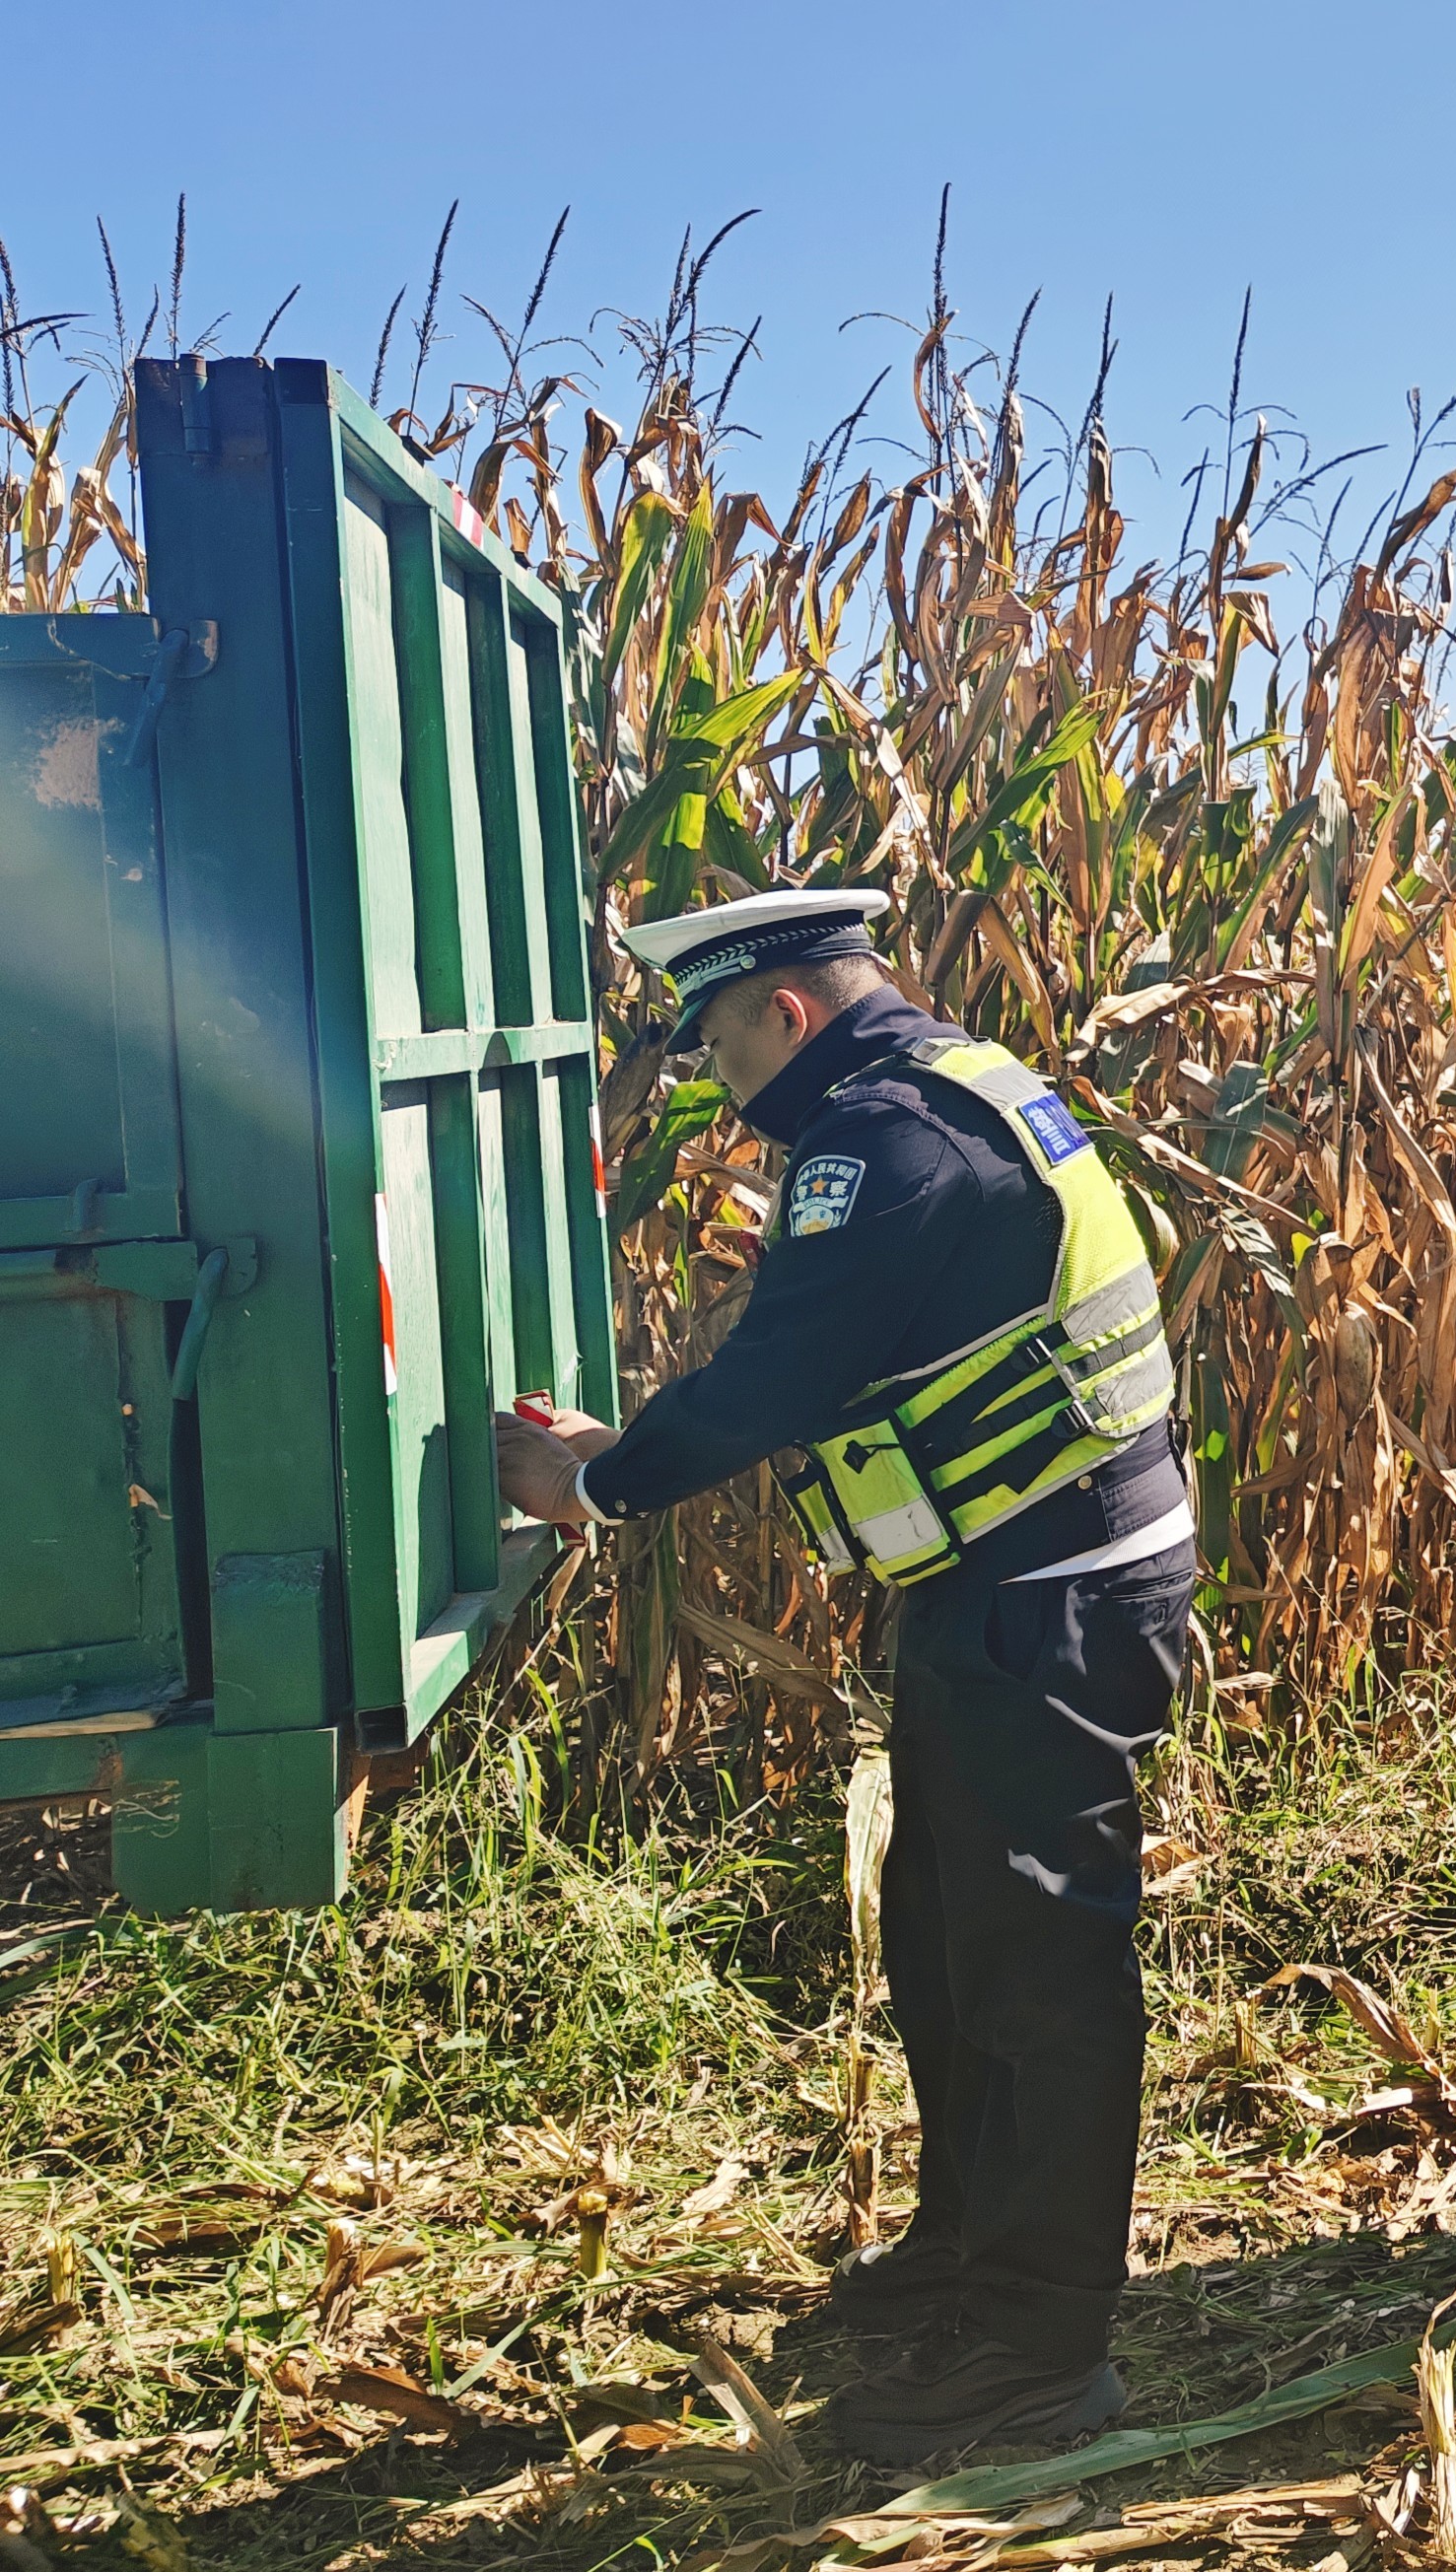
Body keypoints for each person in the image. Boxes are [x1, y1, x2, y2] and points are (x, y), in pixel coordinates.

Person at [493, 885, 1196, 2463]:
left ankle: (1039, 2351)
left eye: (720, 1038)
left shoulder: (876, 1138)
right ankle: (969, 2254)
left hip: (1048, 1600)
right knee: (949, 1948)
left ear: (785, 1014)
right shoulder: (952, 1084)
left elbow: (780, 1373)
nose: (719, 1077)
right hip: (1011, 1584)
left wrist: (593, 1482)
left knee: (1037, 1975)